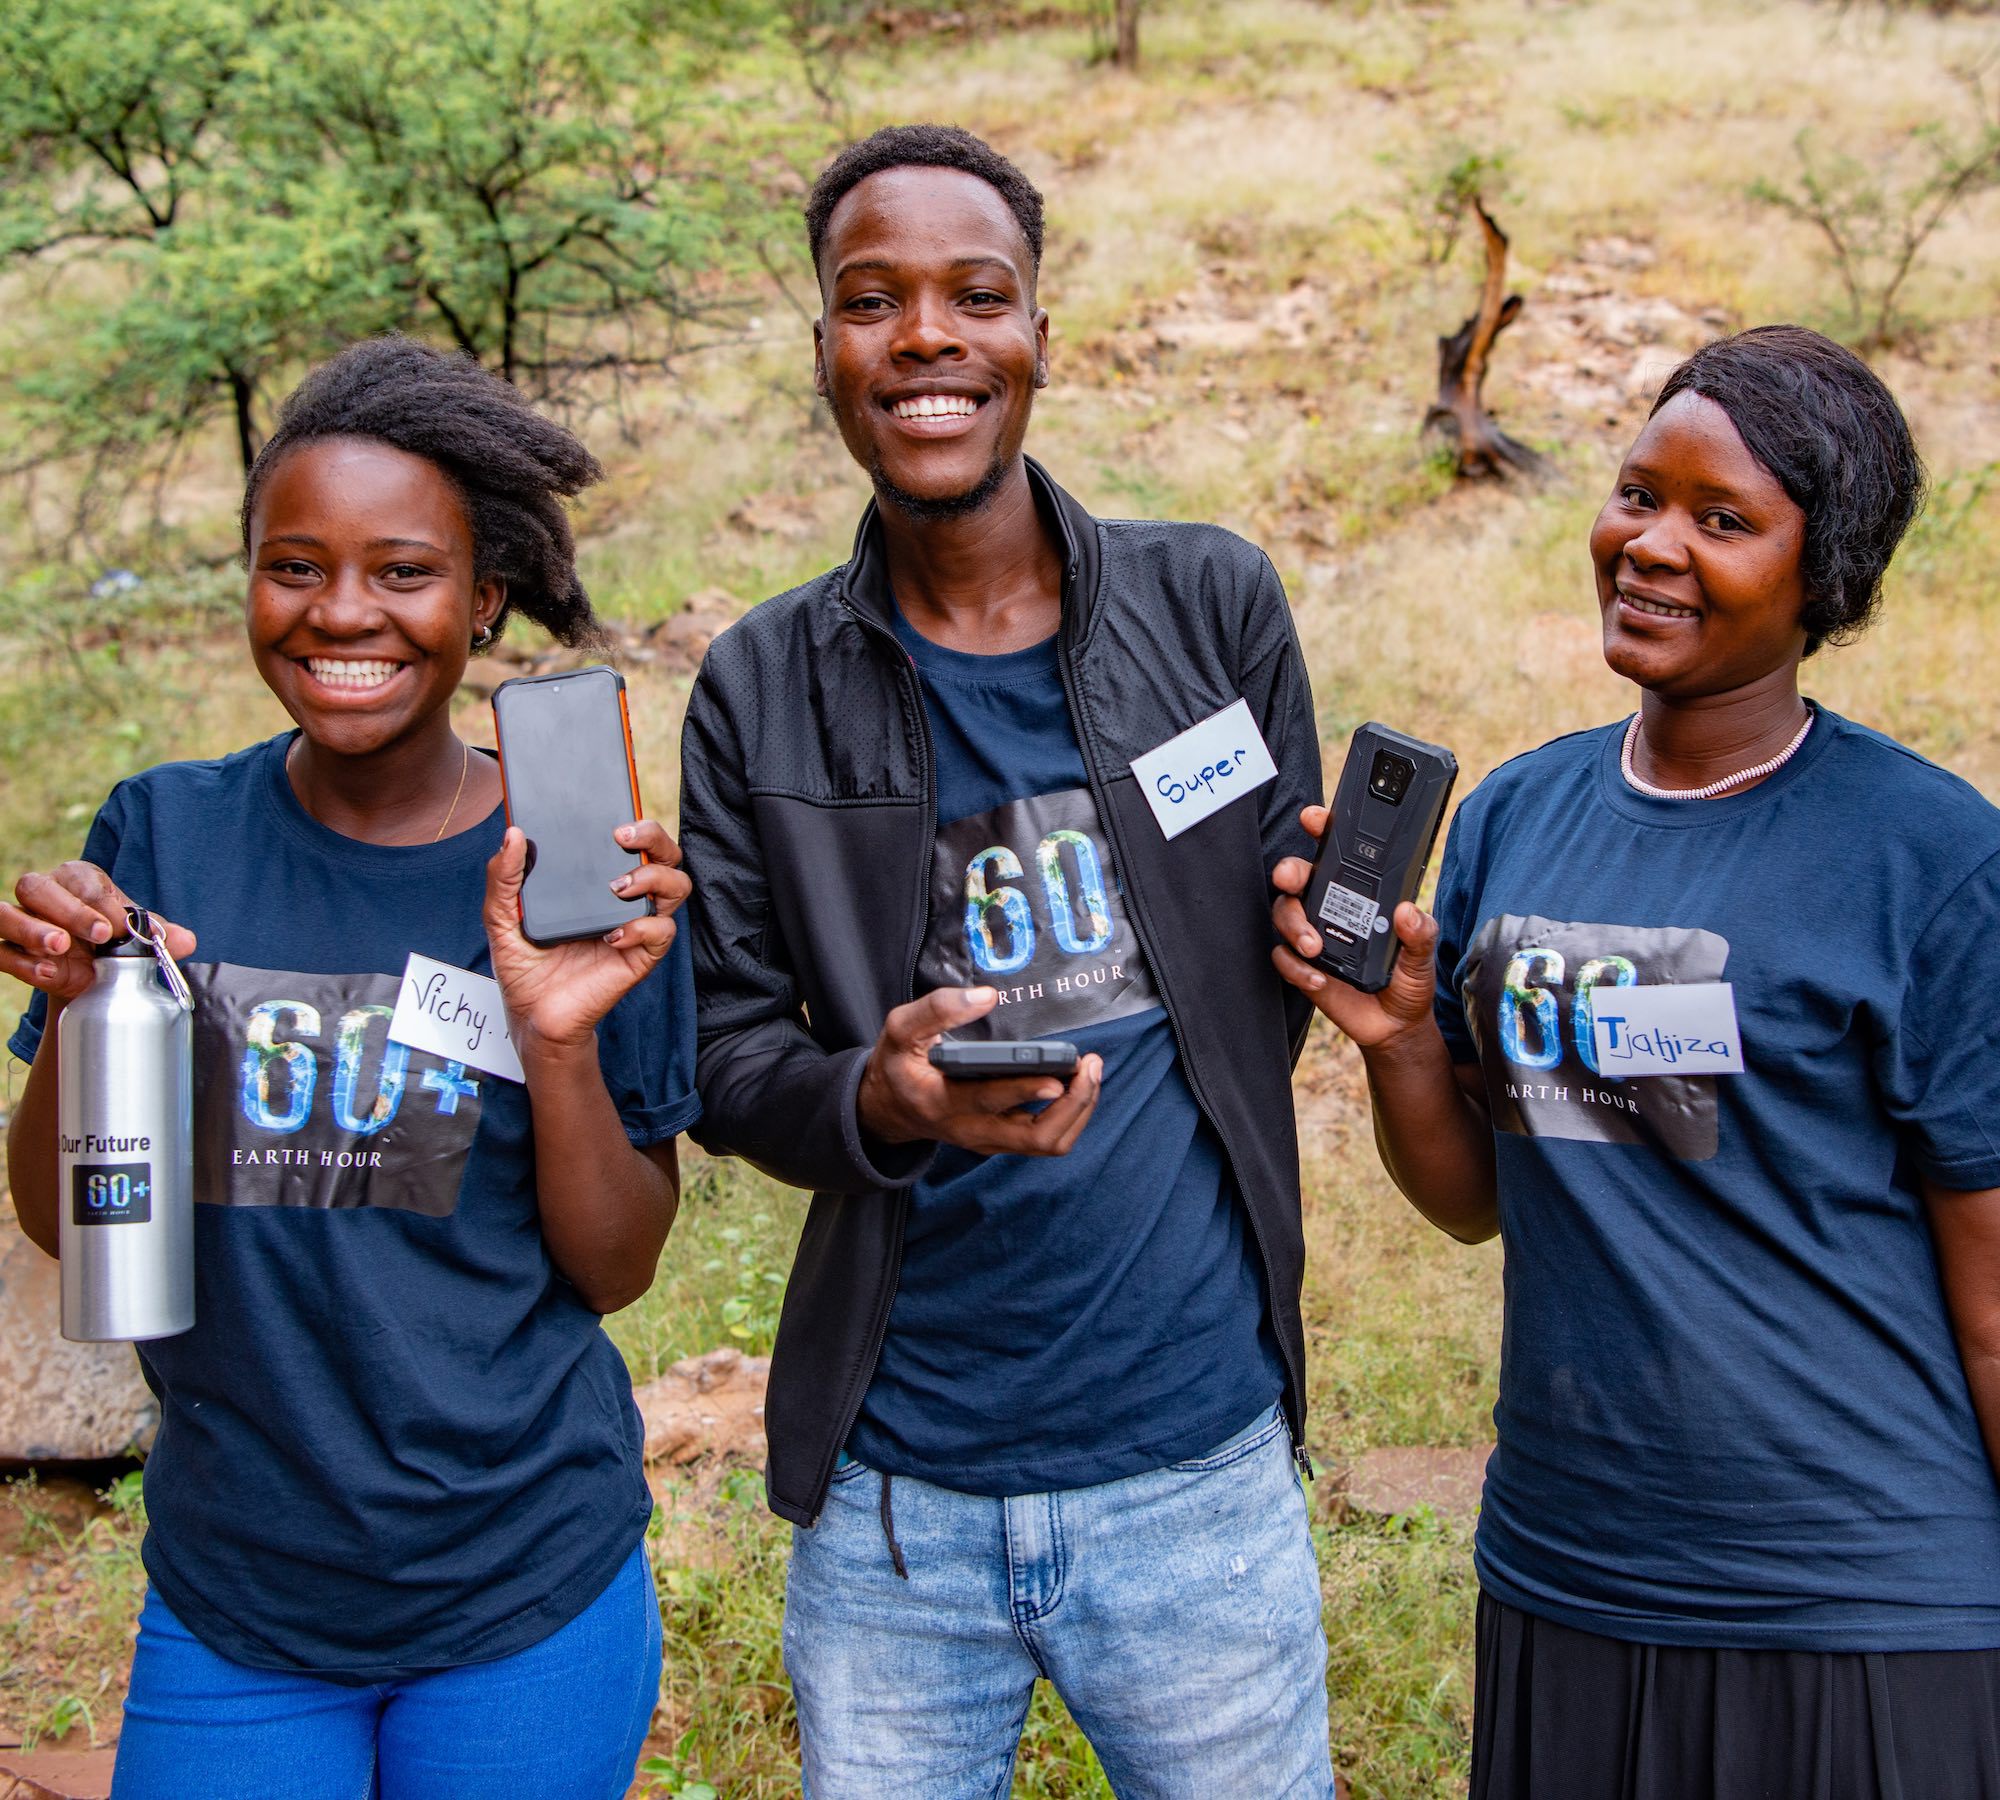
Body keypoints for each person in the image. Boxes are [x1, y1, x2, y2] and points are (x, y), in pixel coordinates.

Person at [678, 125, 1337, 1796]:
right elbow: (732, 1064)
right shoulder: (758, 688)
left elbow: (1273, 985)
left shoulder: (1214, 607)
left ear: (1040, 329)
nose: (925, 338)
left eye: (978, 295)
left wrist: (1341, 947)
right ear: (822, 344)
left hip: (1198, 1473)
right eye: (868, 298)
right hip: (899, 1505)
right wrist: (886, 1102)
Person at [1270, 325, 2000, 1799]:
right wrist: (1406, 1039)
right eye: (1636, 495)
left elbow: (1994, 1307)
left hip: (1858, 1598)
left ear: (1828, 572)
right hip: (1570, 1560)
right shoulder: (1519, 815)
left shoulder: (1928, 859)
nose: (1652, 546)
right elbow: (1478, 1199)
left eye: (1723, 521)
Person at [2, 337, 699, 1799]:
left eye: (402, 572)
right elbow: (69, 1226)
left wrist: (556, 1034)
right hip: (238, 1594)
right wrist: (77, 1011)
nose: (343, 615)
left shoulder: (573, 875)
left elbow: (618, 1265)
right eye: (295, 566)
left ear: (482, 598)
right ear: (249, 580)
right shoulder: (166, 834)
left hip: (523, 1589)